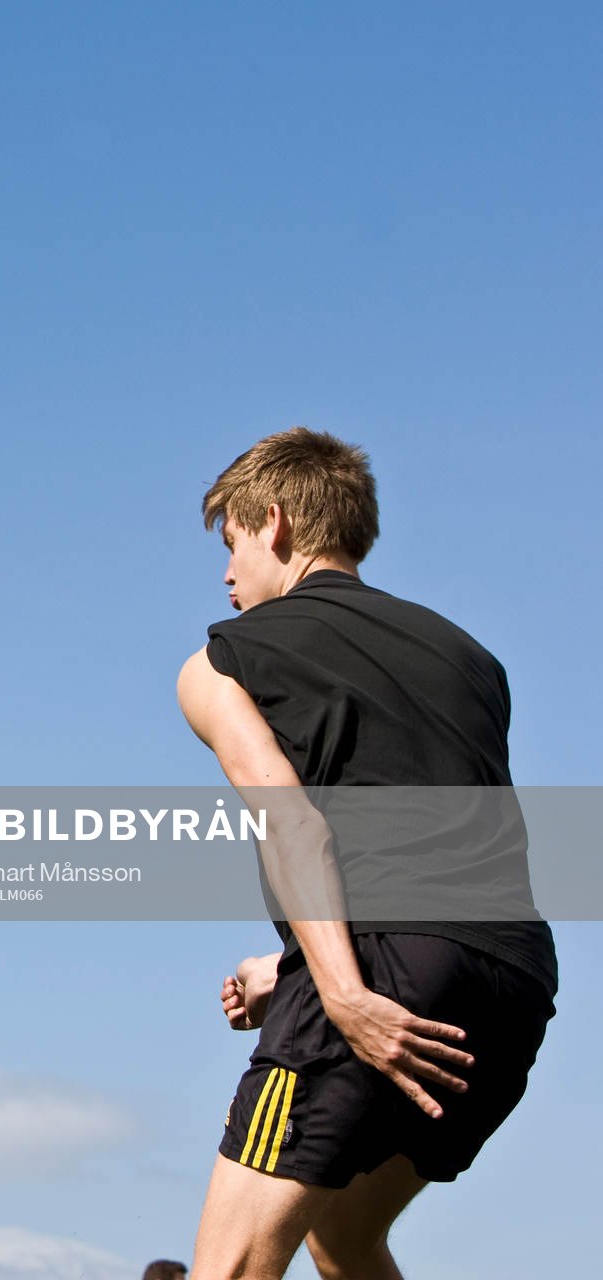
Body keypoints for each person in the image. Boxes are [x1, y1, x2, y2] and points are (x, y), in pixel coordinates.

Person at [175, 428, 556, 1280]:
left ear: (270, 523)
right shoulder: (469, 657)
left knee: (230, 1267)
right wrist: (290, 971)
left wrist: (340, 993)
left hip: (383, 976)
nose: (226, 574)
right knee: (342, 1238)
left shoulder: (221, 661)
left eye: (230, 545)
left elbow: (293, 823)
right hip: (513, 983)